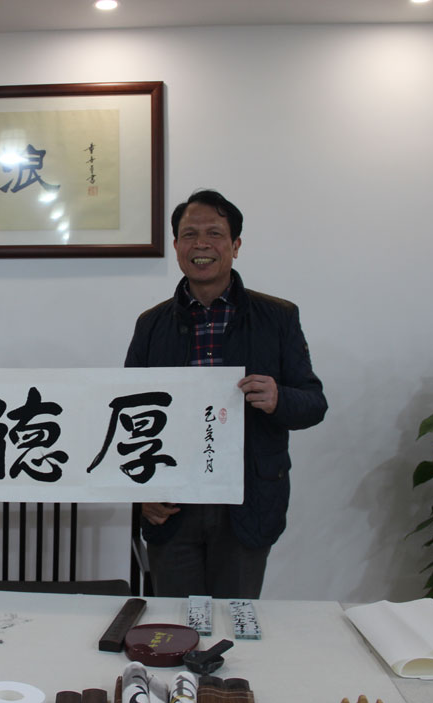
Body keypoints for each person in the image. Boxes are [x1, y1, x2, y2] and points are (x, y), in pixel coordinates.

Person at [125, 189, 327, 598]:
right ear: (176, 246)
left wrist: (278, 398)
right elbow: (127, 417)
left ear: (235, 246)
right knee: (174, 621)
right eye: (190, 234)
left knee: (236, 622)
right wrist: (140, 494)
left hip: (247, 502)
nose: (201, 244)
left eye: (215, 234)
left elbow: (314, 403)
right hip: (172, 505)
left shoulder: (278, 317)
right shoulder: (151, 324)